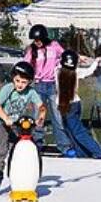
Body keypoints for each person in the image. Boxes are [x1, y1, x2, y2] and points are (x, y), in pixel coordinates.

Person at [0, 61, 46, 195]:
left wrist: (41, 116)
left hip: (15, 125)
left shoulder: (31, 92)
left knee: (16, 149)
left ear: (29, 82)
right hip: (1, 123)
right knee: (1, 150)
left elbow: (41, 106)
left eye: (24, 82)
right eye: (17, 81)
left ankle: (17, 174)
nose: (20, 84)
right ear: (13, 78)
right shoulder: (8, 88)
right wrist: (5, 118)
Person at [25, 25, 73, 156]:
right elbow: (26, 65)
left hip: (52, 85)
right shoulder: (32, 51)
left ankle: (64, 146)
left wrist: (78, 57)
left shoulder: (54, 46)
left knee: (57, 116)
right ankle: (37, 144)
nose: (37, 42)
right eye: (35, 40)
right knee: (38, 116)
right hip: (38, 85)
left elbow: (66, 56)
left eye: (39, 39)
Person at [56, 50, 101, 159]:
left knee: (76, 131)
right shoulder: (76, 71)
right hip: (73, 104)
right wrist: (95, 61)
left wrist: (77, 57)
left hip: (67, 105)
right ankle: (82, 153)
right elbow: (89, 71)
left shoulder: (57, 71)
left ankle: (97, 152)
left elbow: (58, 59)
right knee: (72, 130)